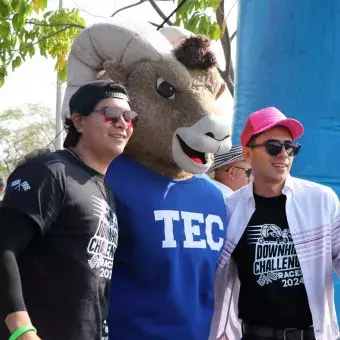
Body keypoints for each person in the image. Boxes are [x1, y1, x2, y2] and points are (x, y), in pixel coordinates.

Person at [0, 80, 137, 340]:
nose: (122, 123)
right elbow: (3, 247)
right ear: (79, 122)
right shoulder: (50, 172)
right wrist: (22, 330)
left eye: (129, 117)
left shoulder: (106, 190)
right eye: (110, 114)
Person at [210, 107, 340, 340]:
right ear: (247, 155)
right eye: (273, 147)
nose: (283, 155)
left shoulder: (321, 200)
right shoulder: (230, 210)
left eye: (290, 147)